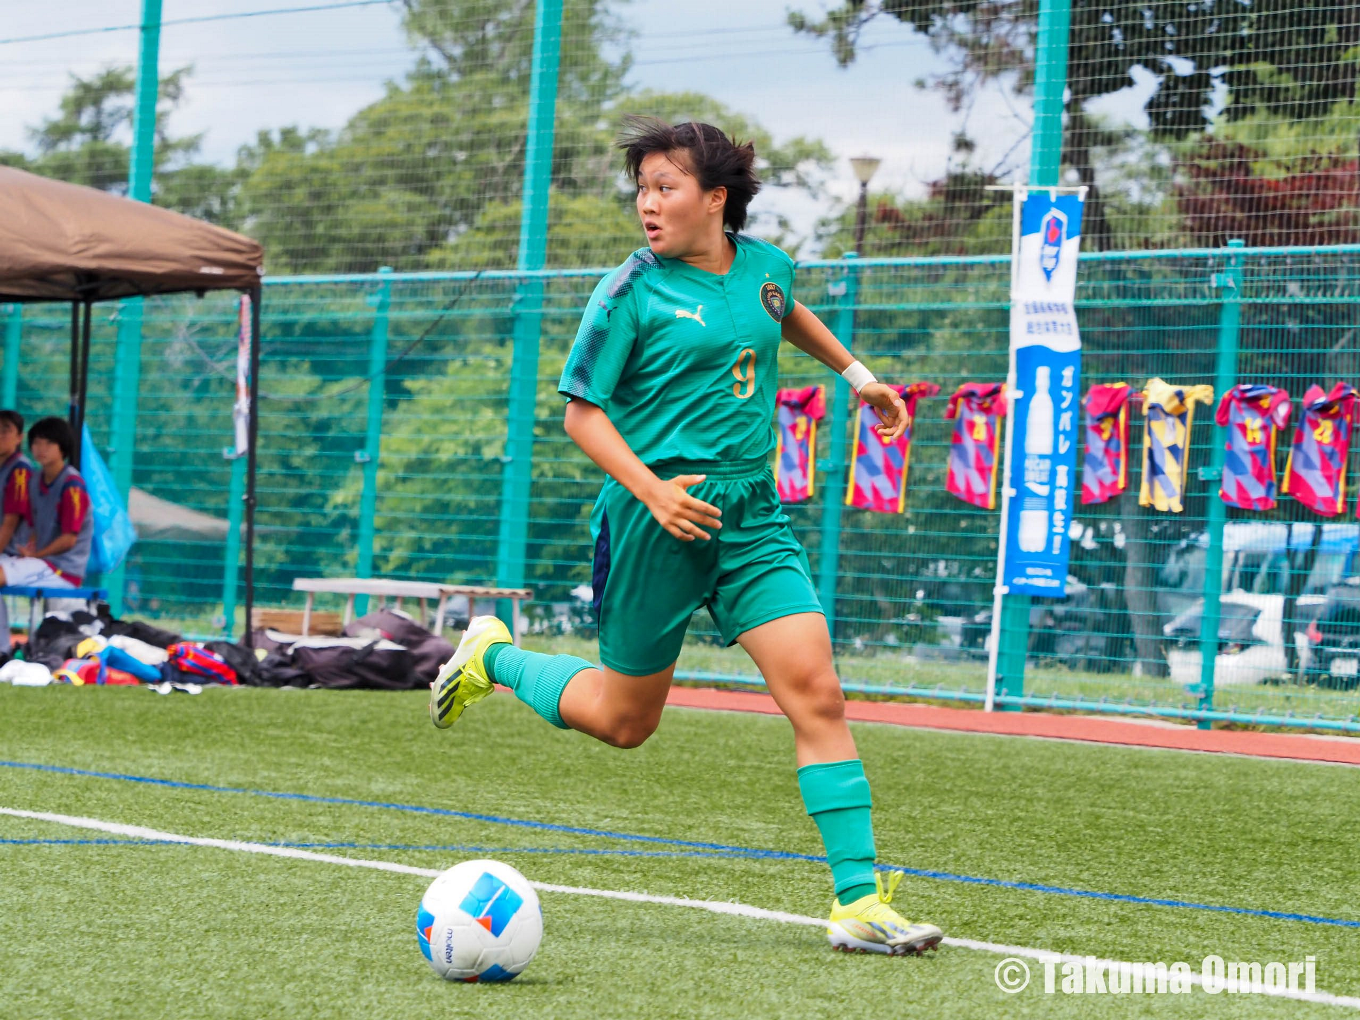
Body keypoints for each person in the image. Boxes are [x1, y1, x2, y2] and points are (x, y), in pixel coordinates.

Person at [429, 119, 942, 956]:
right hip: (652, 520)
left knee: (817, 690)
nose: (647, 204)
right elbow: (580, 413)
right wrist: (652, 491)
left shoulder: (767, 269)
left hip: (750, 516)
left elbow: (784, 312)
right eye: (641, 190)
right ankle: (494, 656)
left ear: (716, 198)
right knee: (625, 722)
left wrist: (858, 377)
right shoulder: (628, 291)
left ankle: (859, 903)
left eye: (665, 188)